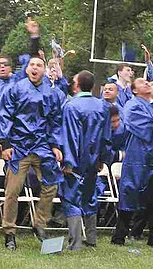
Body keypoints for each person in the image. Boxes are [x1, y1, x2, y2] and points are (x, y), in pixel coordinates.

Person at [0, 55, 64, 251]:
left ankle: (39, 224)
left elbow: (55, 119)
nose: (35, 68)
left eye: (39, 65)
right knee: (12, 190)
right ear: (26, 69)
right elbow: (4, 114)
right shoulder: (15, 89)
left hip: (42, 146)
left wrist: (55, 145)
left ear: (44, 71)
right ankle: (9, 232)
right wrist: (6, 143)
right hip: (18, 146)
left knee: (51, 185)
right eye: (32, 65)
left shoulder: (51, 93)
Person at [111, 77, 153, 247]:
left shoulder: (152, 106)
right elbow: (146, 126)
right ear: (134, 90)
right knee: (129, 197)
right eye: (141, 82)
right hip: (138, 158)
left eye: (147, 82)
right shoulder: (132, 106)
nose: (146, 83)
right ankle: (119, 236)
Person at [60, 70, 111, 251]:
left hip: (76, 160)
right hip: (94, 160)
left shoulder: (71, 106)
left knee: (72, 199)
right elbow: (106, 137)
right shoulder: (103, 106)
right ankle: (91, 240)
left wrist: (68, 161)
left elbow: (71, 137)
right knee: (90, 198)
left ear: (77, 84)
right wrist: (102, 159)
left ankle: (75, 244)